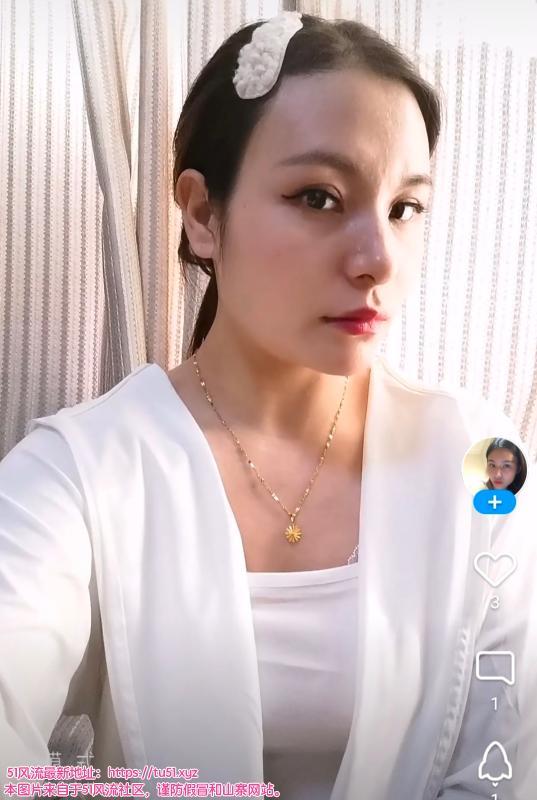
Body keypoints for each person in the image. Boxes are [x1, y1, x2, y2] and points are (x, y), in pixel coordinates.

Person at [0, 11, 536, 800]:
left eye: (404, 208)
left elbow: (510, 757)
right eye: (318, 197)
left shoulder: (480, 458)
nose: (377, 259)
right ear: (202, 214)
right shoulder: (79, 472)